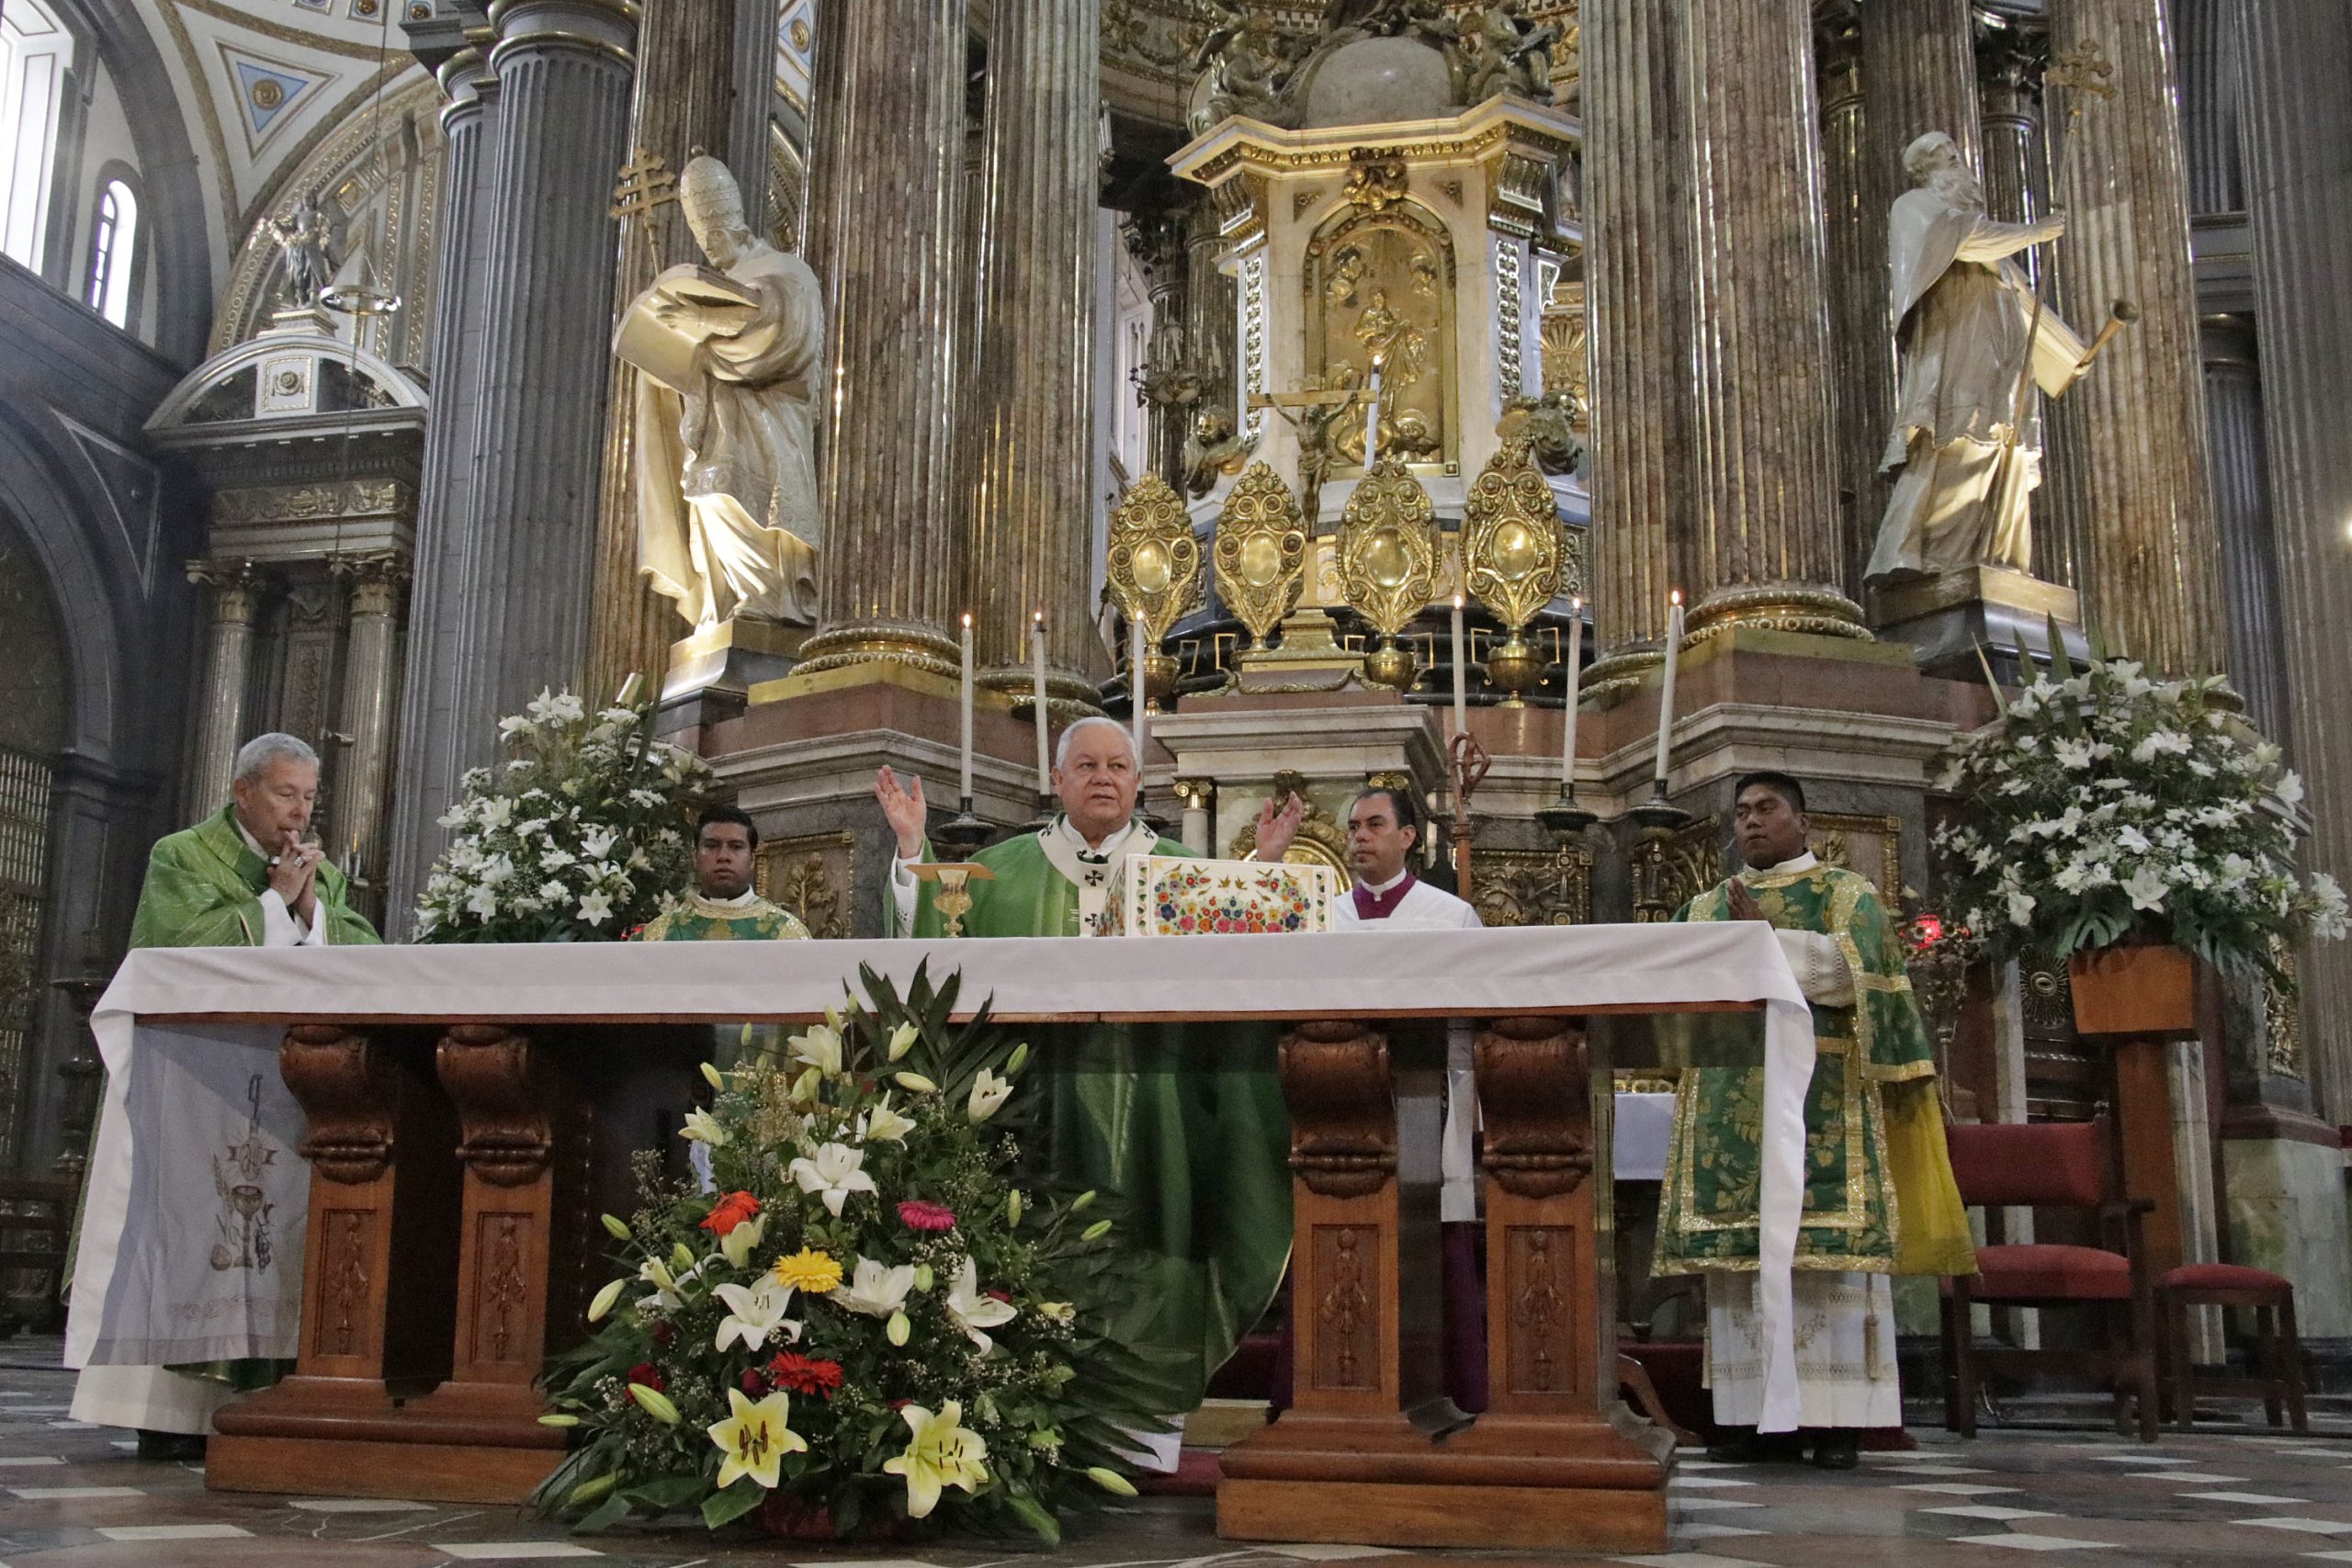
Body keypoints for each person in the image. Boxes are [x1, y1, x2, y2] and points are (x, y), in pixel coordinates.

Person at [873, 716, 1304, 1460]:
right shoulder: (999, 872)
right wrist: (914, 850)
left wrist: (1258, 878)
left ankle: (1146, 1431)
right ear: (1058, 779)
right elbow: (931, 963)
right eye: (1086, 765)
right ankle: (1030, 1425)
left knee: (1157, 1241)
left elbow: (1245, 974)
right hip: (1034, 1116)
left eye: (1118, 766)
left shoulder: (1184, 871)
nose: (1103, 777)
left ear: (1139, 783)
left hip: (1162, 1122)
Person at [71, 733, 380, 1457]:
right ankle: (169, 1414)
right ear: (242, 791)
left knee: (266, 1232)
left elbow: (364, 948)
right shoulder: (183, 855)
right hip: (191, 1082)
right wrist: (273, 901)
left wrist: (311, 913)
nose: (298, 812)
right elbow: (174, 950)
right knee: (188, 1222)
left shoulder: (314, 870)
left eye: (308, 796)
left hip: (277, 1086)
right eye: (284, 794)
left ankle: (253, 1402)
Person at [1651, 772, 1973, 1469]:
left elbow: (1846, 975)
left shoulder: (1846, 894)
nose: (1751, 822)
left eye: (1767, 809)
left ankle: (1838, 1422)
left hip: (1822, 1095)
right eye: (1741, 812)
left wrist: (1760, 940)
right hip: (1728, 1100)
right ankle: (1749, 1417)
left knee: (1829, 1263)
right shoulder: (1704, 905)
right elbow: (1674, 978)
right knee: (1740, 1264)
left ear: (1801, 819)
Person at [1866, 130, 2084, 583]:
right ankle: (1931, 561)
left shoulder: (1992, 247)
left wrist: (2068, 355)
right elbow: (1963, 241)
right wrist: (2033, 232)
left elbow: (2025, 302)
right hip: (1954, 351)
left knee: (2006, 451)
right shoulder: (1915, 208)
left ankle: (1995, 561)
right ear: (1930, 171)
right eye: (1951, 160)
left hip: (1999, 361)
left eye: (1960, 158)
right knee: (1956, 442)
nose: (1963, 168)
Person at [618, 154, 825, 630]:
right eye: (702, 242)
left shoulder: (785, 271)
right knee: (710, 505)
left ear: (734, 228)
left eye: (713, 239)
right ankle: (733, 604)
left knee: (737, 504)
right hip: (717, 428)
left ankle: (771, 599)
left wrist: (705, 324)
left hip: (768, 426)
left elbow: (782, 339)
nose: (710, 250)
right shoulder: (728, 277)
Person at [1330, 786, 1488, 1407]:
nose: (1359, 837)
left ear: (1409, 837)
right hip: (1339, 1100)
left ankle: (1439, 1386)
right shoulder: (1326, 914)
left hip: (1428, 1102)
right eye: (1353, 827)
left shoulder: (1449, 915)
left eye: (1374, 824)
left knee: (1429, 1237)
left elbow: (1470, 1021)